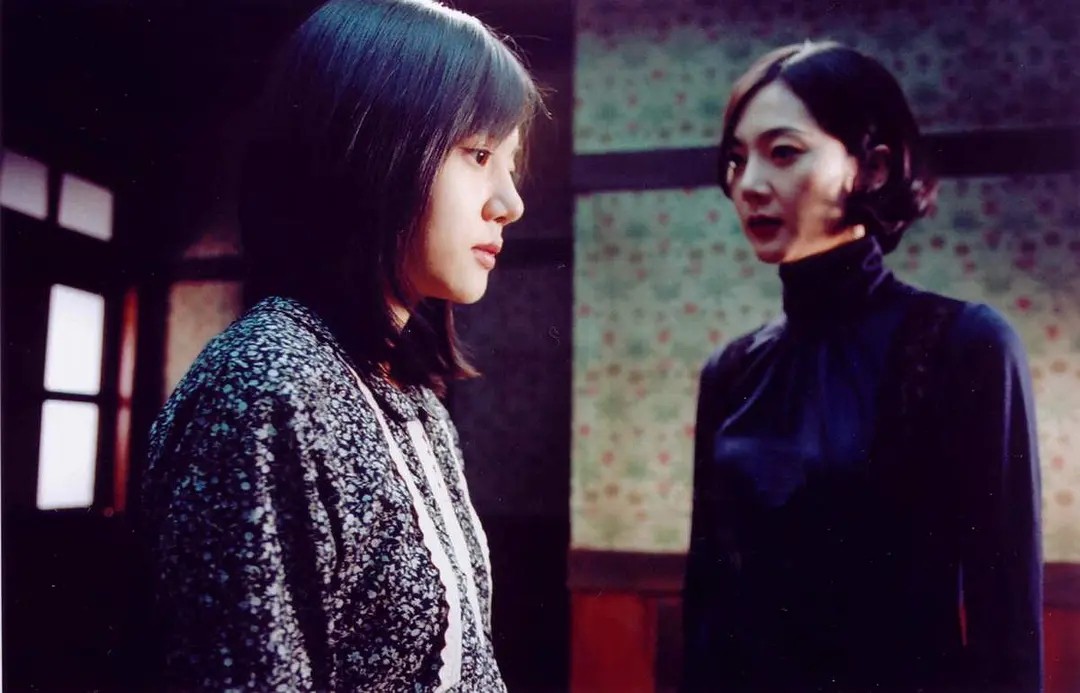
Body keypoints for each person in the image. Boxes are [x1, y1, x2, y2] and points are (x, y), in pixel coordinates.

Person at [141, 1, 540, 689]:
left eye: (509, 165)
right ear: (372, 149)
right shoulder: (269, 386)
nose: (510, 202)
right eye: (479, 155)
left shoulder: (408, 391)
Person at [682, 41, 1043, 692]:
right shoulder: (731, 371)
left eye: (783, 152)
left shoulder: (964, 344)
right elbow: (707, 607)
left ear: (871, 167)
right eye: (737, 159)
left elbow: (1007, 619)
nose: (749, 183)